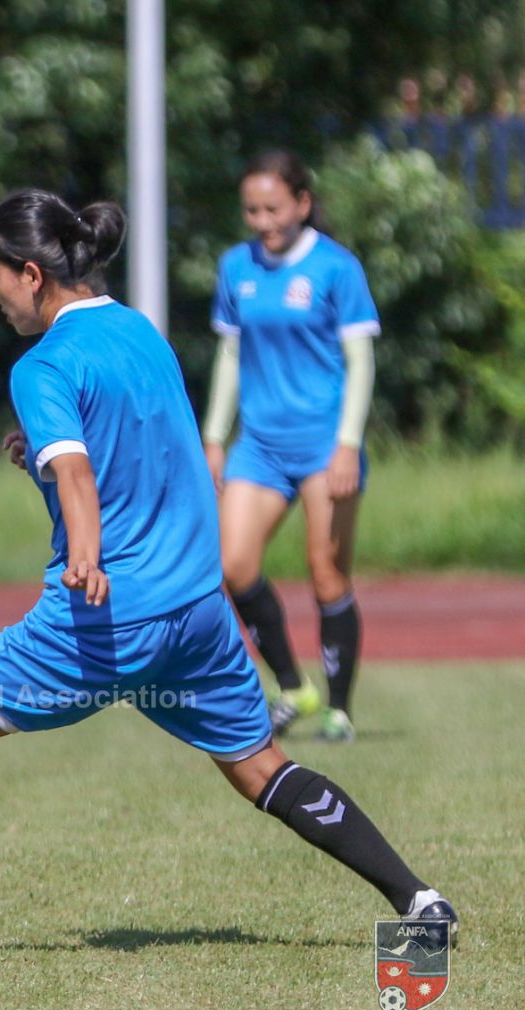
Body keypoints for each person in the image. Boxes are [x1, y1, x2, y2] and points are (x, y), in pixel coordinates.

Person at [0, 189, 454, 951]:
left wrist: (87, 554)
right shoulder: (139, 331)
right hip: (195, 610)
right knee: (261, 765)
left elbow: (79, 478)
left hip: (106, 613)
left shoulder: (44, 364)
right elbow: (144, 450)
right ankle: (418, 898)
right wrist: (45, 464)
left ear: (31, 273)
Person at [204, 150, 379, 743]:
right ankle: (292, 686)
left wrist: (348, 445)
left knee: (326, 574)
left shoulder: (336, 269)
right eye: (252, 209)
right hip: (259, 445)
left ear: (302, 204)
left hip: (324, 445)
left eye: (273, 208)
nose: (262, 220)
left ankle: (339, 709)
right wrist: (213, 436)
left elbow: (360, 360)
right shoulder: (236, 268)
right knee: (234, 566)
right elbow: (230, 354)